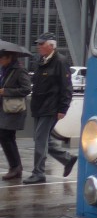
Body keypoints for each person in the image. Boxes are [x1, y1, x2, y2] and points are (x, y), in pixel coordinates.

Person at [23, 33, 76, 184]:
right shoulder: (41, 61)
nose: (38, 46)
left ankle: (38, 173)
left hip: (51, 107)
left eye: (41, 44)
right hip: (39, 106)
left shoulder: (60, 61)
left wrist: (63, 108)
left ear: (51, 46)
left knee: (40, 139)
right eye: (38, 44)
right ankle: (67, 159)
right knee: (43, 139)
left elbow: (67, 87)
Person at [0, 49, 31, 180]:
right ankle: (15, 167)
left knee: (6, 136)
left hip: (13, 110)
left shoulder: (19, 70)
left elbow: (26, 89)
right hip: (4, 109)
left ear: (9, 58)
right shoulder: (4, 70)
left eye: (2, 58)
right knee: (7, 138)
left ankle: (15, 167)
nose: (0, 61)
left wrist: (6, 91)